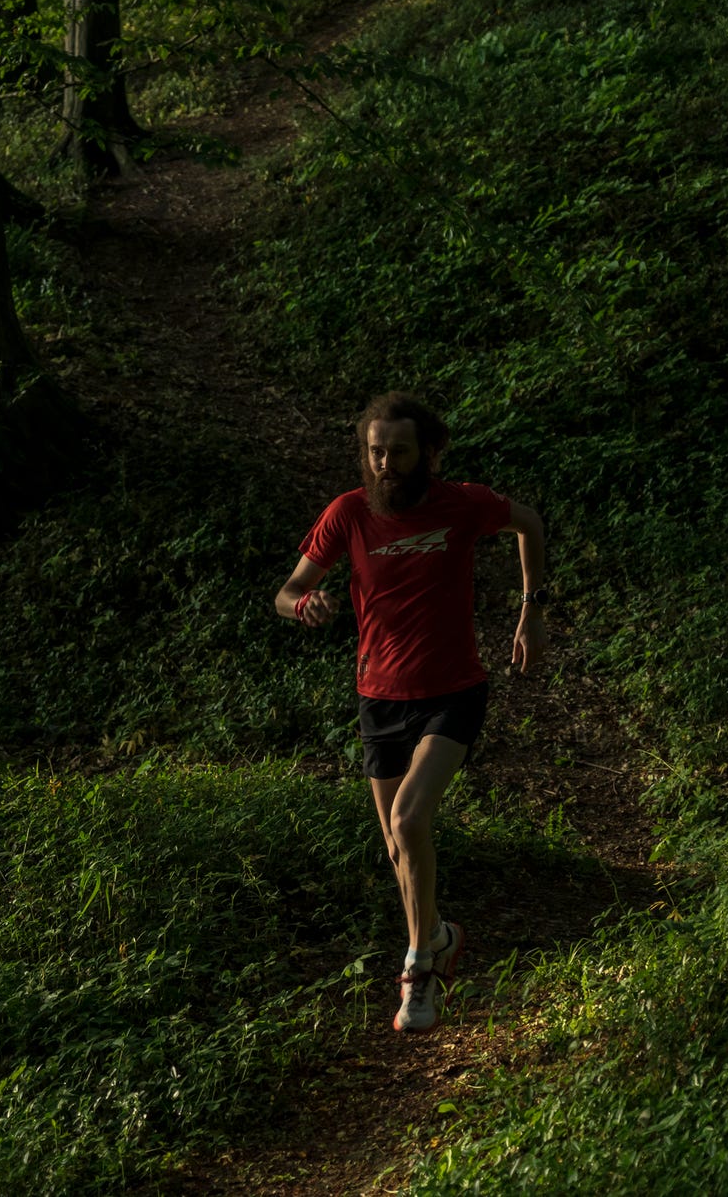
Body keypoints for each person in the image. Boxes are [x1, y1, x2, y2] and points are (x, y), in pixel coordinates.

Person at [274, 392, 548, 1033]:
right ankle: (443, 937)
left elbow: (528, 523)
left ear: (429, 452)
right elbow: (288, 591)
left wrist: (533, 608)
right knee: (399, 848)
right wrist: (304, 607)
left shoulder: (463, 504)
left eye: (398, 451)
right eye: (375, 452)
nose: (385, 464)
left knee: (408, 817)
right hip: (379, 698)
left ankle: (417, 971)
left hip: (453, 691)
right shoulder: (349, 514)